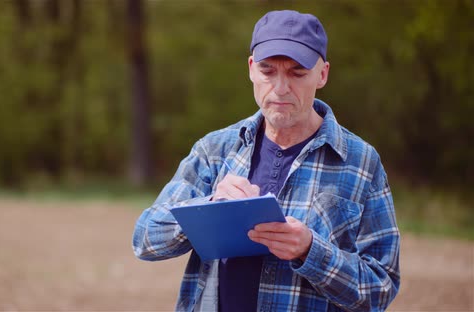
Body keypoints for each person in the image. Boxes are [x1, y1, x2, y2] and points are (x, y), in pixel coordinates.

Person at [132, 9, 400, 312]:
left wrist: (311, 252)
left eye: (297, 73)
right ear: (250, 69)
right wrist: (207, 207)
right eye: (268, 71)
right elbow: (145, 240)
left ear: (322, 74)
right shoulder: (215, 150)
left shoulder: (361, 162)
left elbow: (381, 288)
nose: (281, 88)